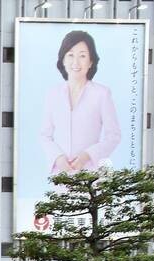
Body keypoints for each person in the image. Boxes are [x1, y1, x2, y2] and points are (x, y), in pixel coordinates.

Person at [40, 30, 122, 175]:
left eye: (82, 56)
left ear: (91, 61)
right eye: (70, 55)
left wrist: (87, 155)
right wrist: (58, 158)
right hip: (61, 172)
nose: (76, 62)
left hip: (92, 171)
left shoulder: (102, 94)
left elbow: (113, 136)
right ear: (63, 60)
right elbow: (45, 135)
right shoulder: (53, 94)